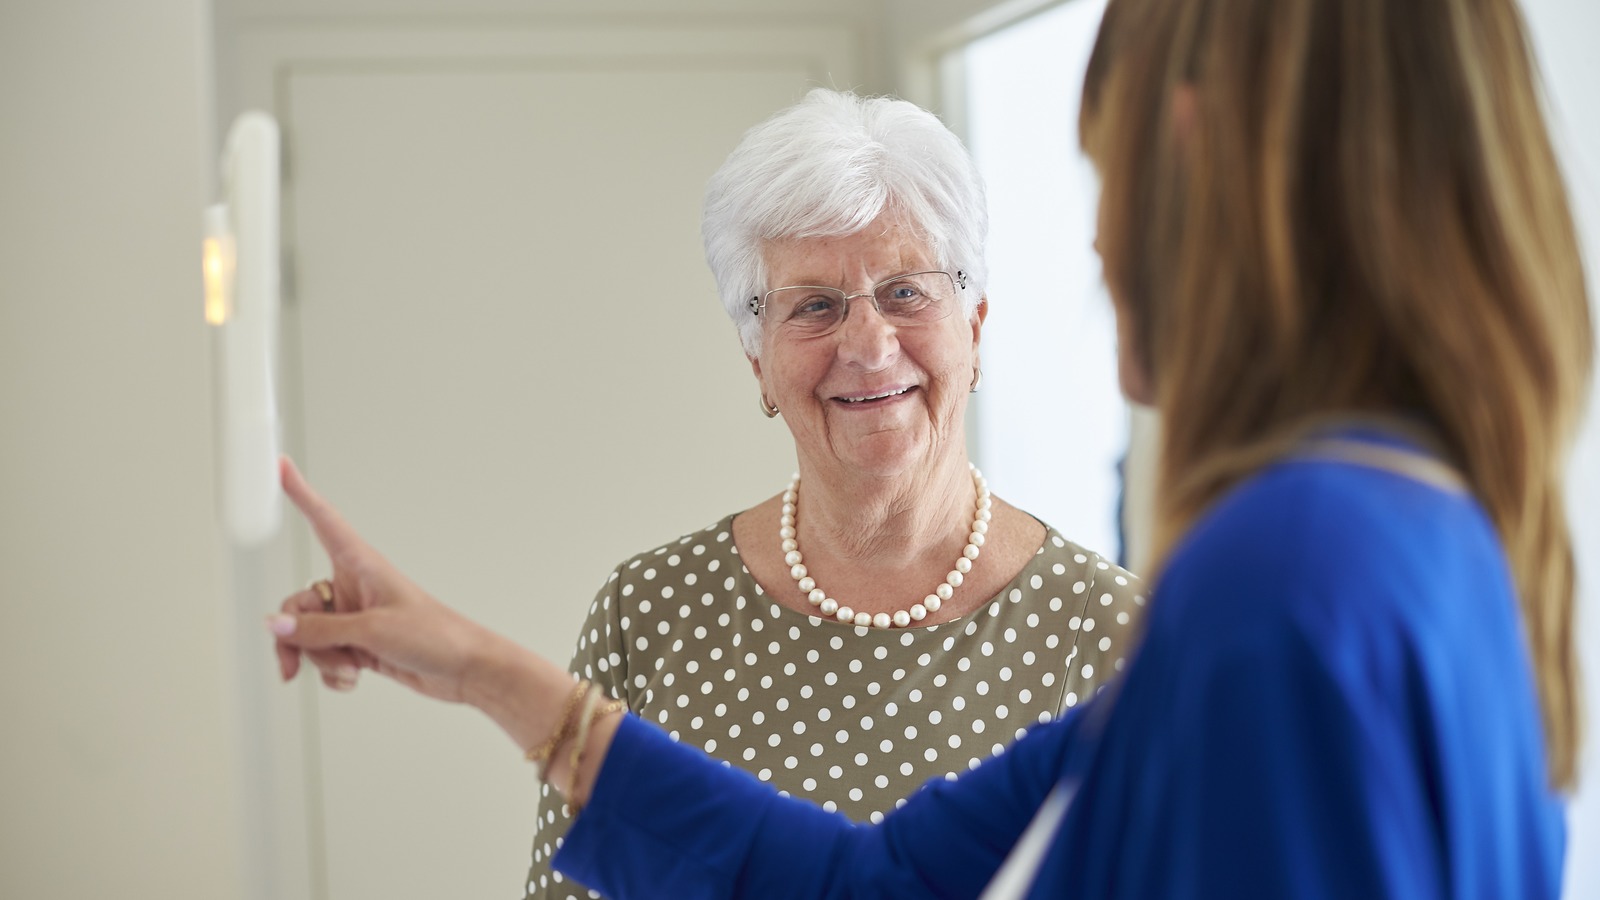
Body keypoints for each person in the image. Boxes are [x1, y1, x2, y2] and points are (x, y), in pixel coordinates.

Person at [267, 0, 1592, 895]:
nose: (1096, 243)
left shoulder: (1277, 585)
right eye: (815, 307)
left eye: (1100, 165)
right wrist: (488, 676)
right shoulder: (1408, 536)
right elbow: (879, 886)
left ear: (1191, 157)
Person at [290, 87, 1143, 900]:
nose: (870, 346)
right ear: (756, 360)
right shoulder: (649, 612)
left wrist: (481, 671)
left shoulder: (1114, 635)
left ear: (977, 327)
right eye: (814, 306)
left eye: (905, 292)